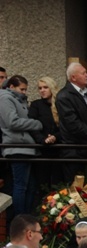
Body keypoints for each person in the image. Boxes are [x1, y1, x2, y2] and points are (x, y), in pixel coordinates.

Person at [0, 75, 42, 215]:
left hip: (25, 147)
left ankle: (25, 217)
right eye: (22, 89)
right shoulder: (6, 98)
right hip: (16, 147)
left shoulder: (18, 100)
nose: (24, 92)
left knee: (30, 186)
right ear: (11, 87)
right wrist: (36, 123)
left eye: (25, 90)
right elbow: (12, 122)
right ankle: (20, 219)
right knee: (20, 186)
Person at [55, 62, 87, 182]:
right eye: (83, 73)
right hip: (74, 151)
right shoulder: (64, 96)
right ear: (73, 77)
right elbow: (72, 123)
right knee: (76, 193)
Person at [29, 76, 63, 189]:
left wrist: (55, 137)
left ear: (52, 88)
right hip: (42, 149)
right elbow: (32, 125)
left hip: (59, 149)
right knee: (42, 184)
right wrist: (43, 139)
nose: (42, 90)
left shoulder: (60, 104)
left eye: (45, 87)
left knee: (59, 183)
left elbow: (65, 126)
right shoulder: (36, 105)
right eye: (40, 88)